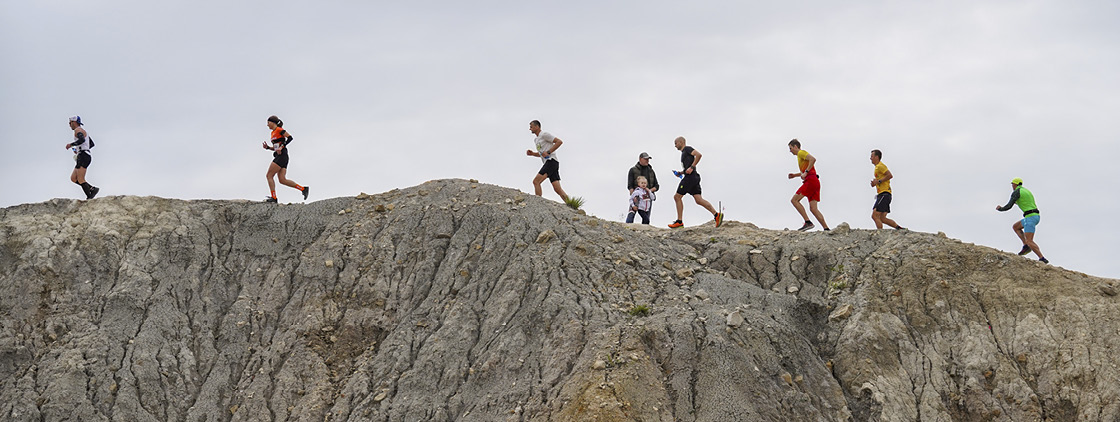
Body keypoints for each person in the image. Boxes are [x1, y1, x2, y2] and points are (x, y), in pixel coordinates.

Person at [668, 136, 722, 228]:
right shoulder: (684, 153)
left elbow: (699, 155)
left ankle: (679, 221)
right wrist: (681, 172)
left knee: (677, 197)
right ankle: (717, 215)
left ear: (681, 142)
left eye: (676, 143)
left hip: (690, 178)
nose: (675, 145)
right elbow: (688, 168)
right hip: (693, 177)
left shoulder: (687, 149)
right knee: (699, 200)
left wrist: (692, 167)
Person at [996, 177, 1048, 263]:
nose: (1012, 185)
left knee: (1029, 240)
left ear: (1015, 184)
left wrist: (1000, 209)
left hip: (1030, 217)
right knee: (1016, 227)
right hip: (1034, 216)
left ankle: (1042, 258)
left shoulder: (1016, 192)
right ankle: (1025, 246)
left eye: (1012, 184)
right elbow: (1023, 202)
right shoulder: (1026, 191)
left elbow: (1009, 206)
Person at [262, 115, 309, 203]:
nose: (267, 125)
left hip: (282, 155)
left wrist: (282, 147)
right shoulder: (272, 133)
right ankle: (303, 189)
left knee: (269, 176)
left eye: (268, 122)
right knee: (282, 180)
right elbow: (277, 147)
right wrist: (268, 147)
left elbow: (290, 138)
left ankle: (274, 198)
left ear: (273, 122)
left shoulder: (279, 130)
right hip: (281, 156)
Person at [787, 139, 829, 231]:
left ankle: (808, 222)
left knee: (794, 200)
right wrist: (795, 175)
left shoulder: (801, 153)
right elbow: (805, 171)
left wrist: (805, 172)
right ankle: (826, 228)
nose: (790, 151)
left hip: (810, 181)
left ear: (795, 147)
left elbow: (813, 159)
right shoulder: (800, 157)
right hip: (815, 181)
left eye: (790, 148)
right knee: (813, 208)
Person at [525, 120, 568, 200]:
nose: (530, 129)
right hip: (550, 163)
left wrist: (549, 152)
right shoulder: (536, 140)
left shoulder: (544, 135)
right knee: (557, 189)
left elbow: (559, 142)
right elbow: (542, 153)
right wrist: (533, 154)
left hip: (551, 161)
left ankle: (538, 202)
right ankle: (572, 205)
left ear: (537, 126)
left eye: (531, 127)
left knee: (536, 182)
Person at [64, 116, 99, 200]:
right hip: (82, 154)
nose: (69, 125)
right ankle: (92, 188)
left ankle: (90, 197)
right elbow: (91, 143)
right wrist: (80, 149)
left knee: (80, 179)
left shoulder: (78, 130)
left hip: (84, 156)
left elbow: (82, 140)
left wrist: (71, 145)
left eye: (70, 123)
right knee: (73, 178)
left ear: (74, 122)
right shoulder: (82, 130)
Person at [869, 149, 904, 230]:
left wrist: (878, 181)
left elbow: (890, 175)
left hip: (884, 194)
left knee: (875, 215)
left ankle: (880, 234)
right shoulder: (877, 168)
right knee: (882, 218)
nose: (870, 158)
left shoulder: (880, 166)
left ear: (877, 157)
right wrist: (875, 183)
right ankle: (899, 228)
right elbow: (881, 180)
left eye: (872, 156)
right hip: (884, 194)